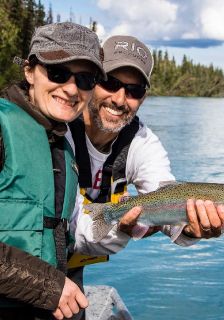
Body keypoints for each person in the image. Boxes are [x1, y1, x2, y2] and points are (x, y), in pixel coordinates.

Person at [66, 37, 224, 317]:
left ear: (144, 96)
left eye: (133, 90)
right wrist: (120, 228)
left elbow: (164, 192)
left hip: (72, 263)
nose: (119, 99)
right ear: (92, 80)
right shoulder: (60, 128)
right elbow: (71, 228)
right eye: (110, 82)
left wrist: (190, 228)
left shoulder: (142, 141)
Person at [0, 22, 105, 320]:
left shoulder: (61, 146)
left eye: (85, 79)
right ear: (29, 71)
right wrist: (46, 285)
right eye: (58, 72)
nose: (72, 88)